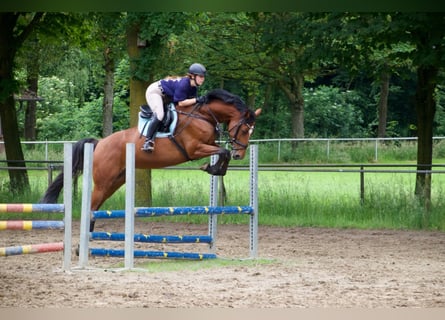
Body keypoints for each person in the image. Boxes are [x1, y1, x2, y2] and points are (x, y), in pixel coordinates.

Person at [141, 63, 207, 152]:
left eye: (203, 77)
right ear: (192, 76)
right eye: (201, 76)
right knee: (160, 115)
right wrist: (197, 100)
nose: (203, 79)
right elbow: (181, 103)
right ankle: (147, 141)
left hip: (167, 96)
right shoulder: (184, 84)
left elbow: (190, 104)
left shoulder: (193, 87)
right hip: (155, 92)